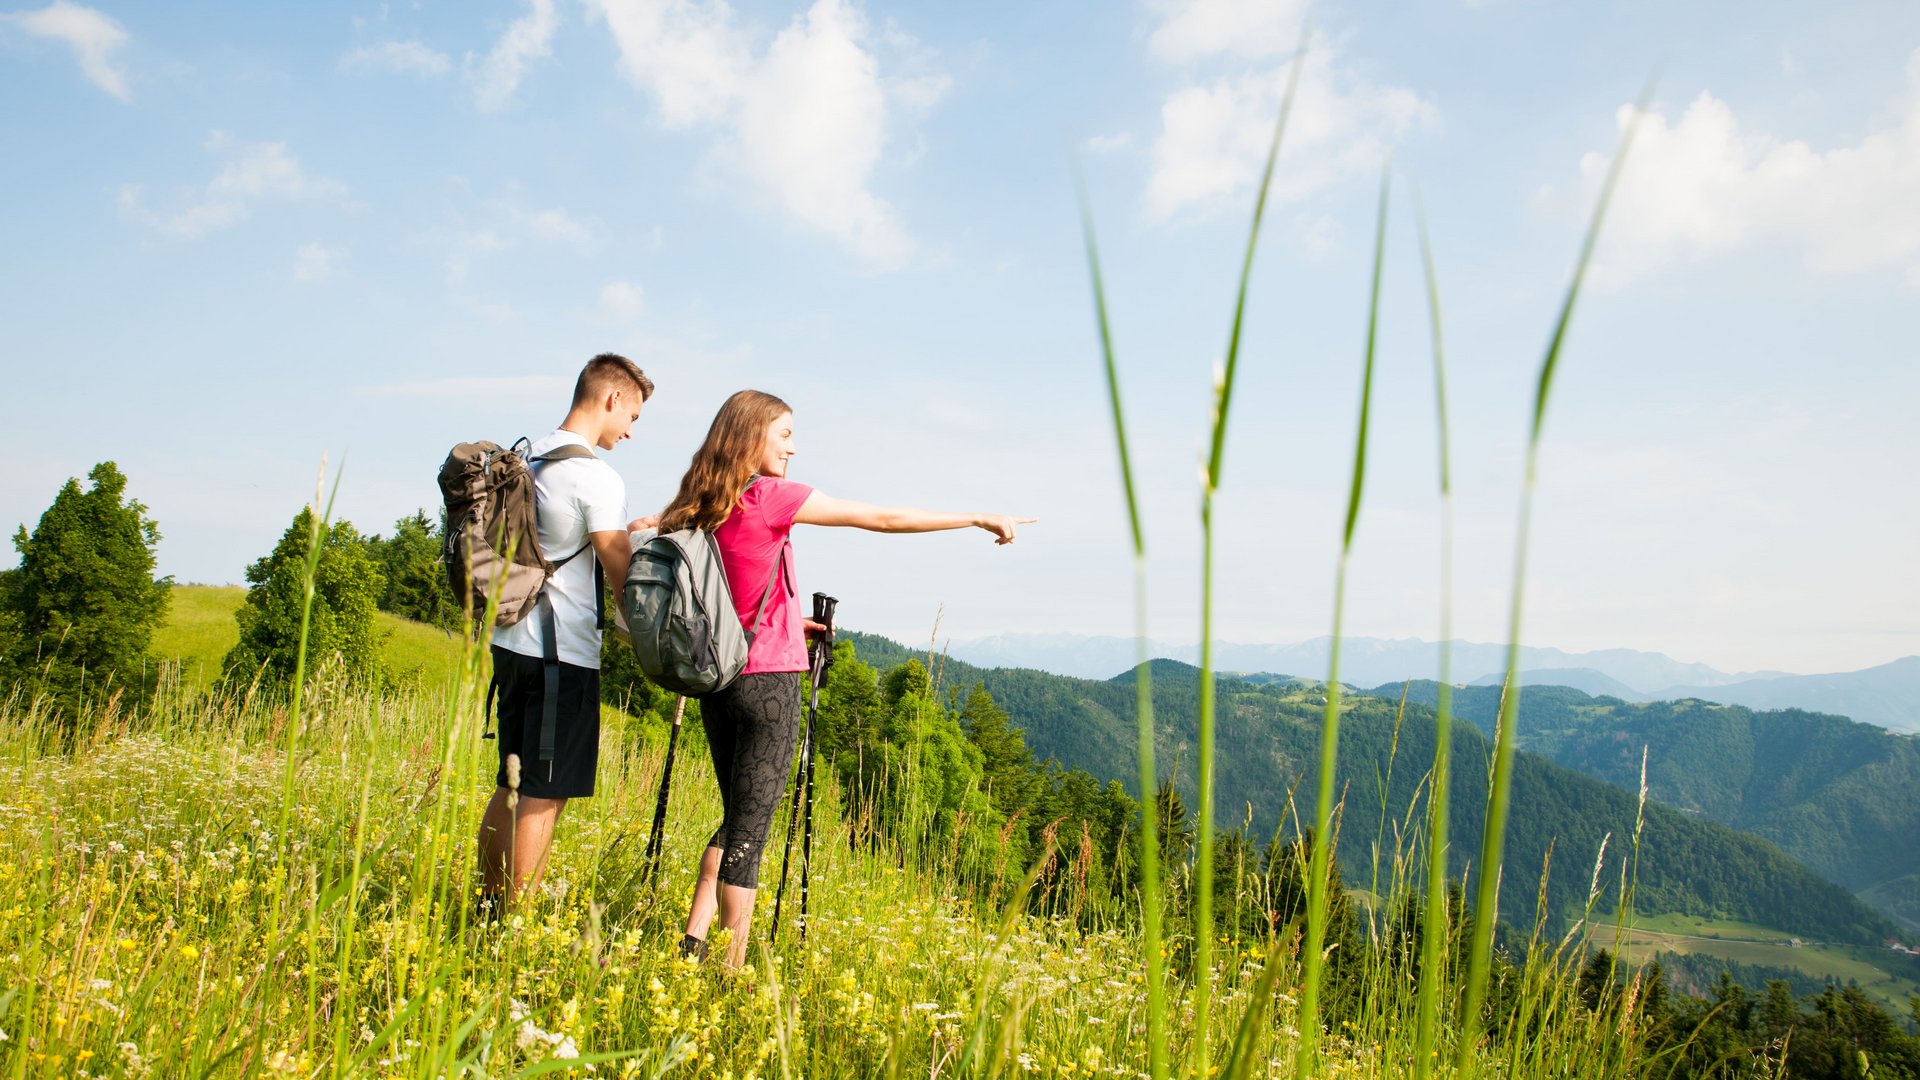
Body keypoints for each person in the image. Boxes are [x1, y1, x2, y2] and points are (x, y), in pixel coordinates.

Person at [660, 389, 1034, 968]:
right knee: (749, 837)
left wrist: (789, 618)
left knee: (737, 816)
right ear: (752, 434)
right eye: (783, 434)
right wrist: (976, 515)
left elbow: (724, 589)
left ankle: (692, 942)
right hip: (771, 685)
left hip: (717, 679)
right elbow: (880, 518)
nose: (792, 447)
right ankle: (728, 973)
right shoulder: (770, 498)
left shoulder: (701, 502)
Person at [476, 352, 657, 912]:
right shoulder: (594, 476)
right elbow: (617, 563)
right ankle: (515, 923)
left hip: (511, 641)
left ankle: (486, 905)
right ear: (612, 399)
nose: (630, 432)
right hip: (562, 655)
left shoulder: (529, 459)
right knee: (544, 792)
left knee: (512, 783)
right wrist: (660, 637)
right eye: (633, 417)